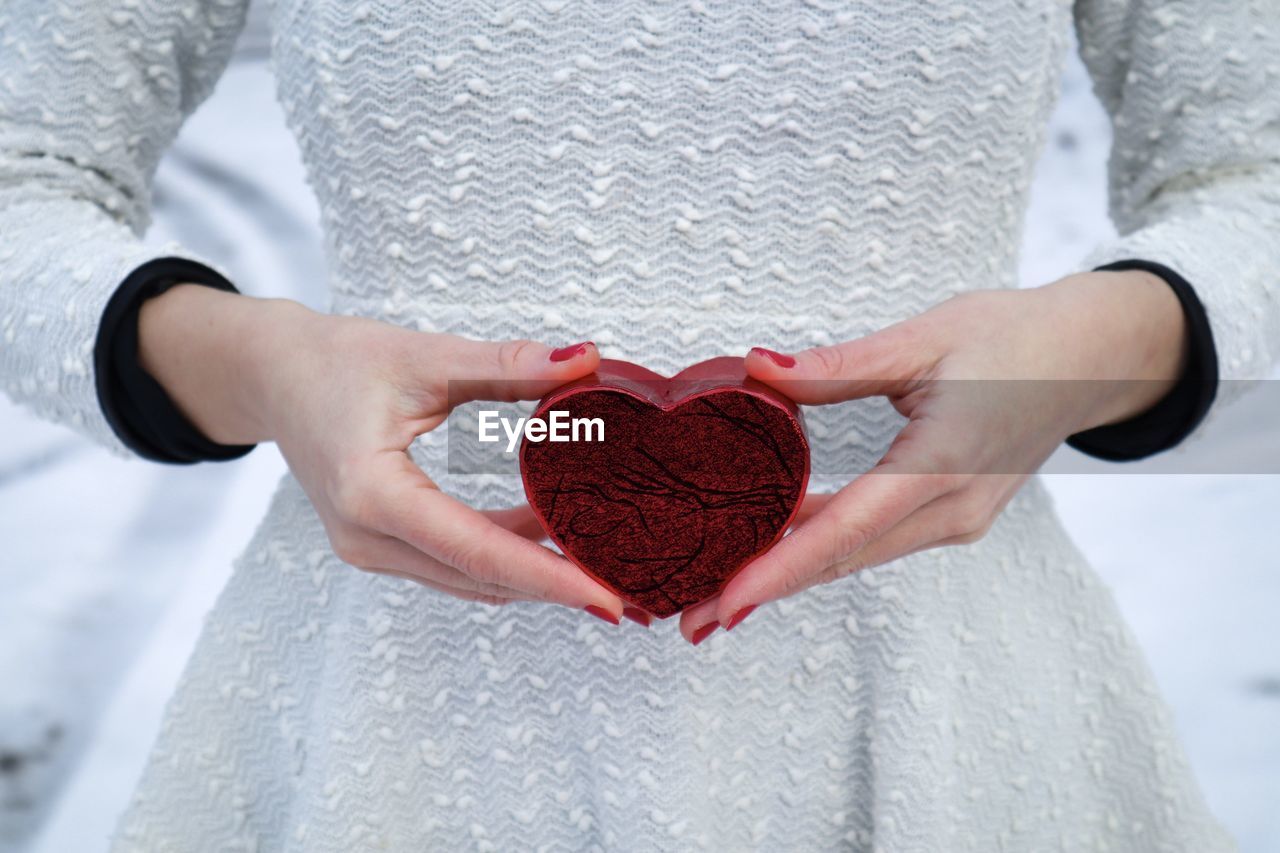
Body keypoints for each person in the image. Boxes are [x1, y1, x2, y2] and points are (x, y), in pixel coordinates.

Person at [2, 0, 1276, 849]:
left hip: (939, 696)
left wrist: (1089, 352)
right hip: (393, 701)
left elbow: (1254, 175)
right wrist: (252, 365)